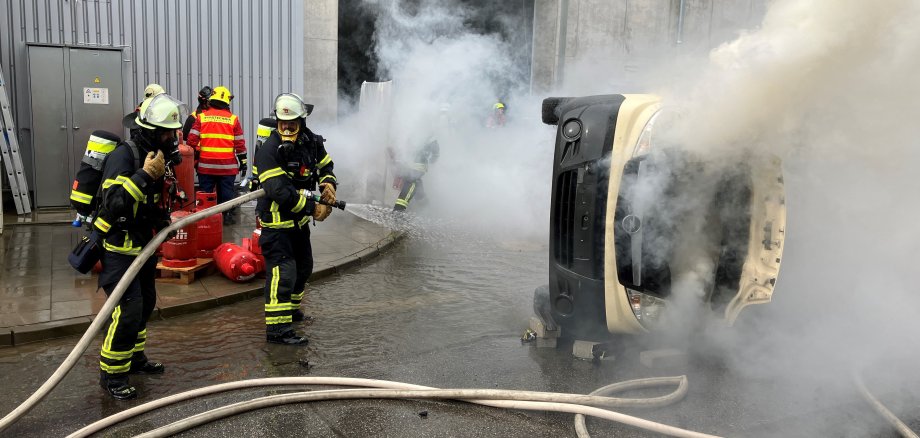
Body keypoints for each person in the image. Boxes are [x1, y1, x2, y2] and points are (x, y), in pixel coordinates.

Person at [92, 93, 188, 400]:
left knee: (145, 303)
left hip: (144, 247)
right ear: (148, 131)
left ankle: (134, 358)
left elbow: (151, 203)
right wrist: (144, 175)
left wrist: (163, 222)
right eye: (166, 132)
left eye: (174, 132)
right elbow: (113, 204)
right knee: (128, 309)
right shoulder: (126, 156)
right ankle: (112, 374)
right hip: (120, 249)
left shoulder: (158, 157)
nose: (172, 138)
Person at [254, 93, 337, 345]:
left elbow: (326, 165)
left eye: (292, 123)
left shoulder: (311, 141)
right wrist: (313, 208)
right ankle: (278, 330)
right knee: (283, 273)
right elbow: (279, 191)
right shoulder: (268, 149)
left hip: (298, 224)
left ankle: (289, 312)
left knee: (304, 268)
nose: (288, 128)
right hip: (277, 225)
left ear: (302, 121)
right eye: (283, 123)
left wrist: (328, 184)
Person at [186, 85, 246, 224]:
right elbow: (240, 144)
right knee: (226, 193)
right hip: (227, 167)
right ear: (226, 102)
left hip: (206, 166)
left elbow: (191, 141)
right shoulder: (233, 119)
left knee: (206, 194)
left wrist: (196, 156)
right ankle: (226, 217)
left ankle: (205, 220)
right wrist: (243, 162)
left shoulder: (201, 118)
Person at [391, 136, 439, 212]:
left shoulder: (426, 138)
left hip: (414, 170)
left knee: (412, 181)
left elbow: (434, 156)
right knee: (416, 186)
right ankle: (426, 207)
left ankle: (398, 212)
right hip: (409, 166)